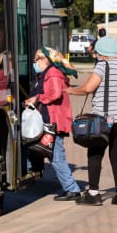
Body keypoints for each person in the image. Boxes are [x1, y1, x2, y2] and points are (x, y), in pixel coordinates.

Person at [66, 36, 117, 206]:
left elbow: (88, 88)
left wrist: (70, 90)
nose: (96, 56)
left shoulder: (102, 66)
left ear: (102, 54)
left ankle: (93, 194)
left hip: (105, 120)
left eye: (97, 53)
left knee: (95, 154)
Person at [25, 47, 83, 201]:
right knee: (49, 153)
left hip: (54, 121)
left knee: (56, 157)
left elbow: (55, 94)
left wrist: (38, 98)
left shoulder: (52, 73)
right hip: (51, 120)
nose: (34, 62)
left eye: (36, 59)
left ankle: (72, 189)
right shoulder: (46, 74)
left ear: (45, 59)